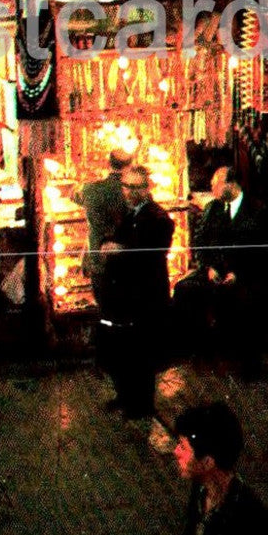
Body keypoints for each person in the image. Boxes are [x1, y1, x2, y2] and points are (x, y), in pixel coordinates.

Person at [169, 402, 268, 535]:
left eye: (183, 447)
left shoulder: (252, 525)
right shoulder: (201, 488)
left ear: (207, 462)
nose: (175, 451)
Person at [95, 164, 173, 418]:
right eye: (126, 186)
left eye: (135, 187)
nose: (129, 192)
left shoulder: (158, 218)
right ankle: (127, 398)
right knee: (126, 351)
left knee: (142, 353)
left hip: (146, 297)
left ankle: (141, 406)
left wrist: (119, 249)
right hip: (127, 297)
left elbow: (148, 254)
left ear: (146, 188)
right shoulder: (130, 214)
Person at [181, 167, 266, 373]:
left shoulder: (257, 210)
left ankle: (246, 361)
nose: (211, 187)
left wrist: (238, 273)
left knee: (243, 299)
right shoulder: (213, 208)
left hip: (247, 273)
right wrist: (209, 267)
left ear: (231, 184)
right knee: (184, 289)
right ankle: (201, 352)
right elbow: (200, 242)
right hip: (214, 270)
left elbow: (263, 252)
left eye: (215, 183)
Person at [82, 149, 132, 294]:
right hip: (124, 262)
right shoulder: (129, 192)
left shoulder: (91, 190)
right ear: (129, 167)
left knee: (105, 305)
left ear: (108, 164)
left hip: (98, 260)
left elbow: (74, 194)